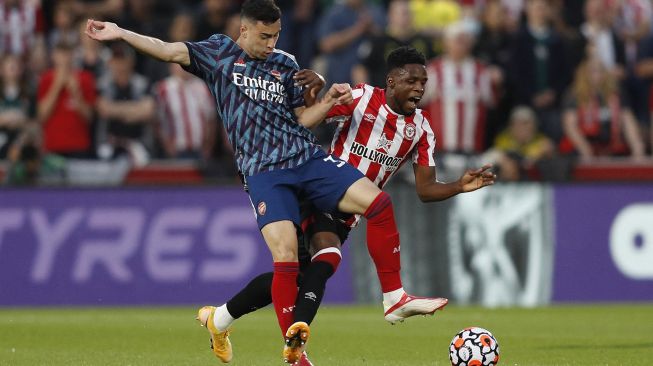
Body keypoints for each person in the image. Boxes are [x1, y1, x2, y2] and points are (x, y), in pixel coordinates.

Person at [85, 1, 445, 363]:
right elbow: (166, 49)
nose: (271, 43)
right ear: (243, 30)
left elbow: (304, 120)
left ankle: (394, 297)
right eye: (264, 36)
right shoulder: (218, 53)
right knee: (287, 259)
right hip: (263, 172)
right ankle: (295, 354)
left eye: (276, 35)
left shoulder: (285, 64)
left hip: (306, 158)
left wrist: (329, 100)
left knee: (379, 204)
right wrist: (121, 33)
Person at [202, 46, 496, 365]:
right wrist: (317, 90)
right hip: (318, 188)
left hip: (349, 212)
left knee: (298, 274)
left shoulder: (421, 129)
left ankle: (218, 319)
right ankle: (300, 344)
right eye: (411, 80)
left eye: (423, 82)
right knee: (327, 255)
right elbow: (307, 121)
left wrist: (459, 186)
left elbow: (425, 189)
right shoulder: (361, 98)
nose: (419, 88)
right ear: (392, 81)